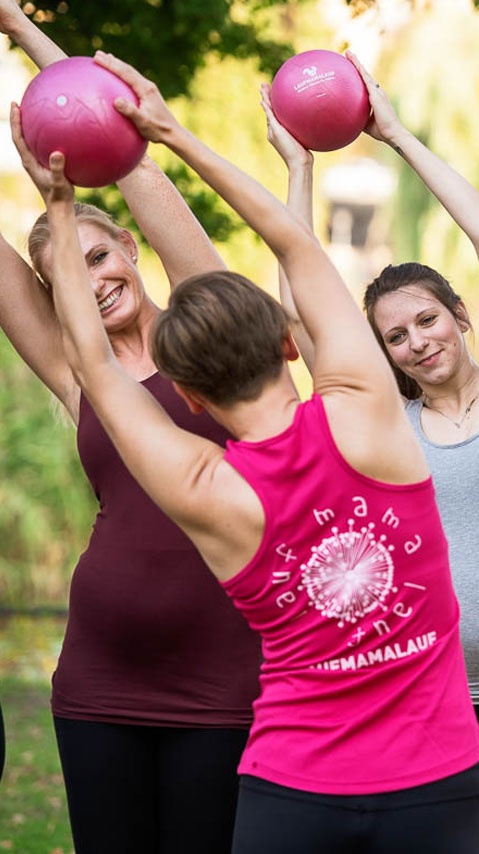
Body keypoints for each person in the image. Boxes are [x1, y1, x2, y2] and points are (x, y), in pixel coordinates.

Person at [12, 51, 479, 853]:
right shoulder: (371, 417)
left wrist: (60, 206)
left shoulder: (207, 488)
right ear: (289, 344)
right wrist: (170, 133)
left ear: (187, 399)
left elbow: (93, 364)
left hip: (290, 789)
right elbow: (296, 245)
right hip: (437, 785)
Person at [261, 56, 479, 854]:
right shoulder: (387, 429)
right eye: (396, 337)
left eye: (427, 321)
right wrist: (297, 169)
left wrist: (396, 134)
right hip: (420, 695)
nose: (416, 342)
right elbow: (299, 306)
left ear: (459, 316)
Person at [0, 7, 261, 851]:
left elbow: (135, 166)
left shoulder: (218, 339)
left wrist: (26, 35)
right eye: (65, 272)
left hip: (222, 681)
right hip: (99, 681)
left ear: (132, 254)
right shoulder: (85, 377)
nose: (93, 277)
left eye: (99, 253)